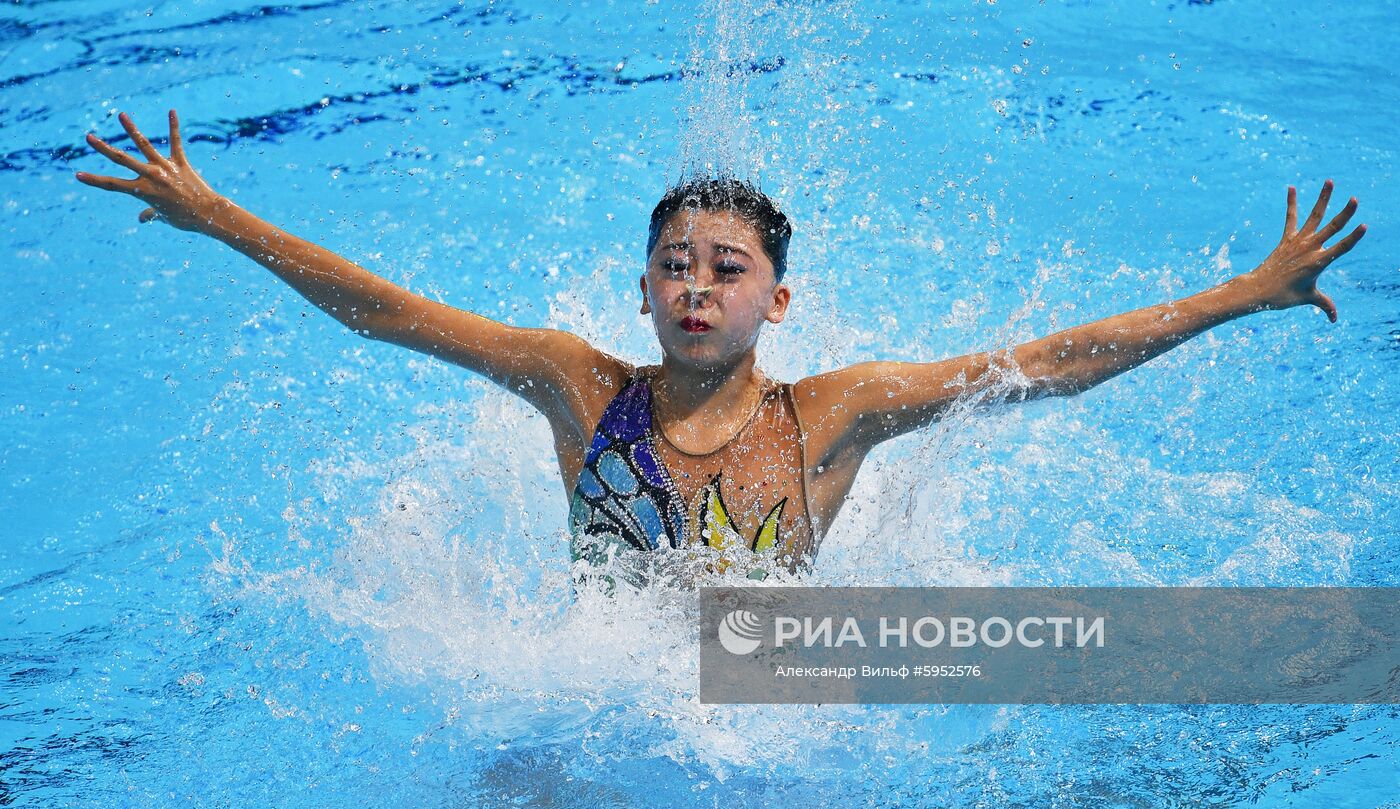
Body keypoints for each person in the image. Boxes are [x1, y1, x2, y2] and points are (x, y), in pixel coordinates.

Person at [75, 109, 1368, 589]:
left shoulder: (835, 413)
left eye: (727, 269)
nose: (698, 286)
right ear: (642, 294)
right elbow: (391, 314)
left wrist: (1240, 293)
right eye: (676, 268)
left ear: (779, 302)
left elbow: (1050, 361)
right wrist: (216, 215)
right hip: (601, 687)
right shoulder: (575, 382)